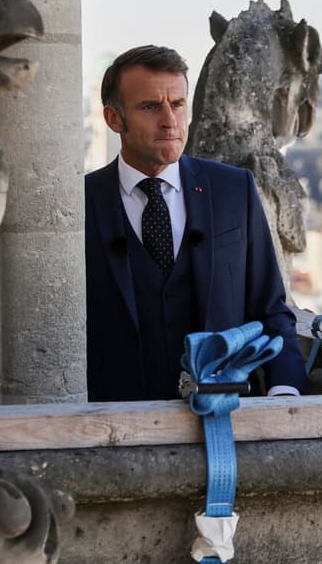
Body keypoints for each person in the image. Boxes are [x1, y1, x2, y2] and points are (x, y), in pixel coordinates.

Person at [84, 44, 308, 403]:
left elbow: (270, 307)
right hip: (116, 429)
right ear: (114, 119)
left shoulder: (235, 189)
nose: (170, 122)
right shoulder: (80, 205)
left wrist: (286, 389)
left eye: (177, 104)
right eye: (150, 107)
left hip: (223, 421)